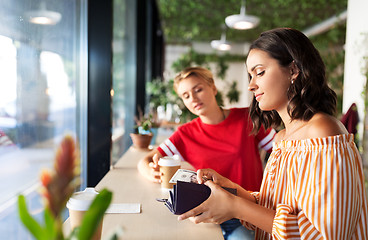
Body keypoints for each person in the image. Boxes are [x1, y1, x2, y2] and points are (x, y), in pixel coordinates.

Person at [178, 28, 368, 239]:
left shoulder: (322, 132)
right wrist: (231, 190)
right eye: (250, 75)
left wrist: (235, 207)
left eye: (259, 72)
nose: (251, 85)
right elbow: (277, 208)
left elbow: (325, 235)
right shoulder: (282, 138)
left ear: (294, 70)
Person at [137, 66, 276, 239]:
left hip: (253, 209)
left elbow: (280, 152)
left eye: (198, 89)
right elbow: (147, 159)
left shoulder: (247, 118)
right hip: (213, 214)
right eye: (186, 96)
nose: (193, 98)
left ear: (213, 88)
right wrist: (151, 172)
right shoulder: (185, 134)